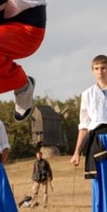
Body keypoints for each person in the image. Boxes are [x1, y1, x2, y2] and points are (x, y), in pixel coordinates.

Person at [70, 54, 107, 212]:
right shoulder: (87, 95)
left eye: (104, 68)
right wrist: (77, 151)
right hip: (97, 141)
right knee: (101, 184)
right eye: (97, 69)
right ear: (93, 71)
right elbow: (84, 126)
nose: (100, 72)